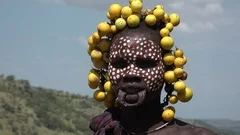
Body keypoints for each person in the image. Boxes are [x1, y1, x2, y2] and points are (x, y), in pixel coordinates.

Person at [87, 1, 218, 135]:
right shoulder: (106, 130)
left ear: (167, 69)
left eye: (145, 64)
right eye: (119, 64)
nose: (131, 73)